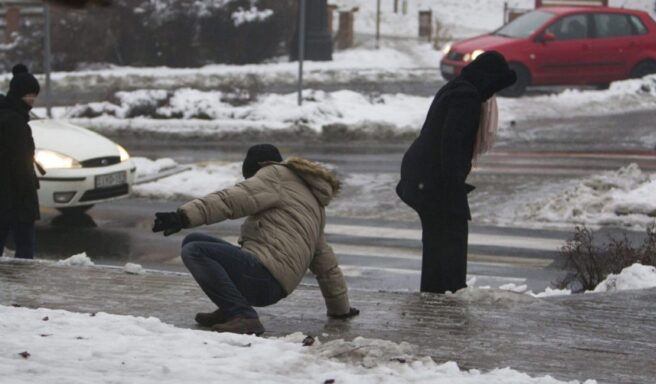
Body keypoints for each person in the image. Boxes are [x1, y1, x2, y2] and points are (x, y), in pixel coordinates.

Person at [152, 144, 359, 335]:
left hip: (265, 277)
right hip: (274, 284)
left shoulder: (273, 175)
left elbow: (231, 200)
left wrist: (182, 216)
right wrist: (340, 309)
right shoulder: (310, 201)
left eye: (251, 177)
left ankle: (243, 315)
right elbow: (326, 264)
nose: (250, 182)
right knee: (193, 239)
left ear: (259, 167)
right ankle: (229, 308)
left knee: (195, 250)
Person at [396, 51, 516, 294]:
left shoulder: (456, 88)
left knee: (437, 241)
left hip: (422, 176)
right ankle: (448, 295)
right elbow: (451, 144)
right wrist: (453, 190)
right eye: (495, 87)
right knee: (451, 238)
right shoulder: (466, 98)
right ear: (488, 79)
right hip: (431, 180)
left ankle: (434, 295)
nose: (493, 94)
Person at [0, 64, 41, 259]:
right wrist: (27, 191)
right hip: (14, 195)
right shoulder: (15, 122)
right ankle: (20, 284)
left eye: (34, 94)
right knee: (25, 246)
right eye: (28, 95)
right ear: (17, 94)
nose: (32, 99)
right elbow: (19, 161)